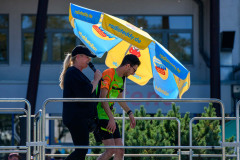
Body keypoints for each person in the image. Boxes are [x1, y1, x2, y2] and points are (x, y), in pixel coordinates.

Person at [59, 45, 102, 160]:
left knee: (81, 150)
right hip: (76, 118)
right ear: (78, 57)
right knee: (81, 150)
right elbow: (86, 92)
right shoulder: (73, 72)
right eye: (87, 57)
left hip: (79, 117)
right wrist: (96, 79)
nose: (89, 60)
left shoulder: (75, 72)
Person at [96, 54, 141, 160]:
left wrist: (130, 113)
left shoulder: (122, 79)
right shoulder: (109, 73)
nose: (133, 73)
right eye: (134, 70)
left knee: (120, 150)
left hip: (109, 116)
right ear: (128, 66)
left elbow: (120, 98)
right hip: (101, 116)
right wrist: (111, 118)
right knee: (111, 150)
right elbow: (103, 98)